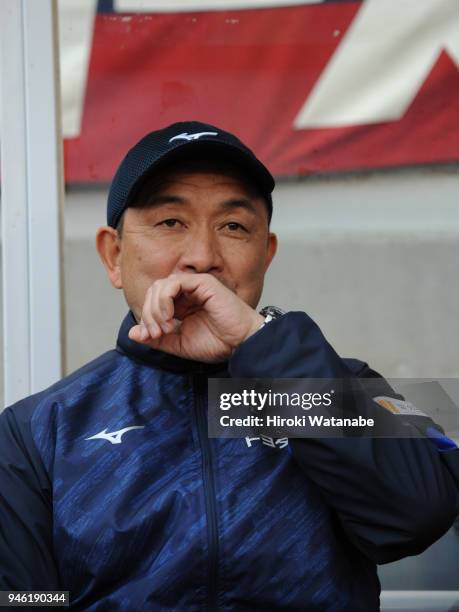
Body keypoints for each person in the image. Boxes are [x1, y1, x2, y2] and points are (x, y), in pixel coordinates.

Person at [1, 121, 458, 611]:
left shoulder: (349, 383)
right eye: (170, 222)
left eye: (233, 227)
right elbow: (23, 599)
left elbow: (422, 515)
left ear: (266, 254)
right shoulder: (33, 429)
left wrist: (262, 342)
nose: (202, 258)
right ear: (113, 256)